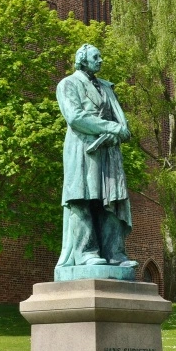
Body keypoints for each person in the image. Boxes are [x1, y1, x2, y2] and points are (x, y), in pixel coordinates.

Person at [55, 44, 137, 273]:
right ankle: (86, 254)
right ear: (82, 59)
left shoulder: (106, 88)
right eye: (96, 57)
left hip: (108, 151)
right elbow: (75, 117)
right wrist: (110, 127)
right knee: (82, 200)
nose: (101, 60)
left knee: (111, 201)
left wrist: (118, 132)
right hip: (82, 149)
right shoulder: (68, 84)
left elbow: (122, 123)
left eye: (101, 56)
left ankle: (114, 253)